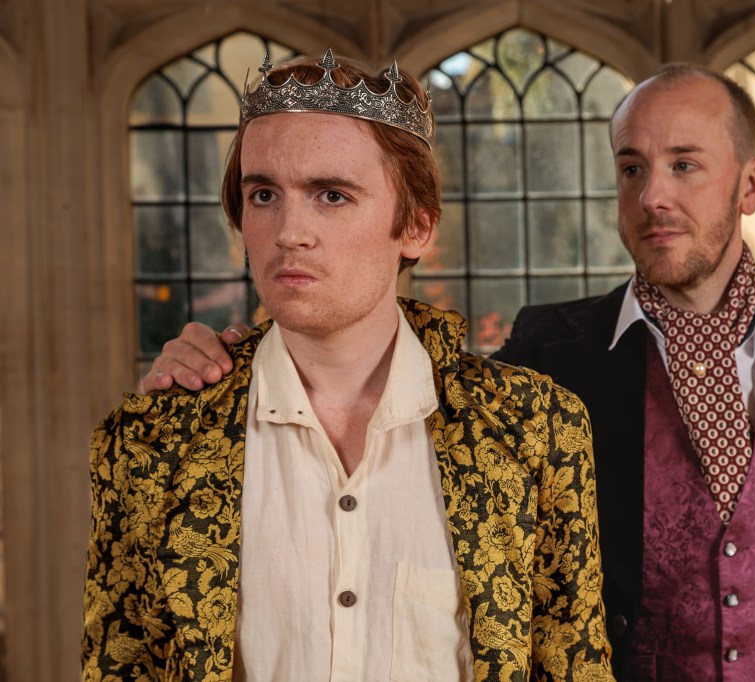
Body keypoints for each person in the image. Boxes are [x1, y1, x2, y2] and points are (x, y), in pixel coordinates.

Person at [141, 63, 755, 680]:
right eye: (632, 167)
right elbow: (387, 404)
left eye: (684, 165)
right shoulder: (552, 349)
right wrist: (232, 370)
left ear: (750, 184)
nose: (653, 196)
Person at [84, 51, 612, 681]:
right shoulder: (151, 440)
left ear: (416, 226)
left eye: (331, 195)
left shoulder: (536, 429)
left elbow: (573, 666)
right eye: (263, 195)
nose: (289, 232)